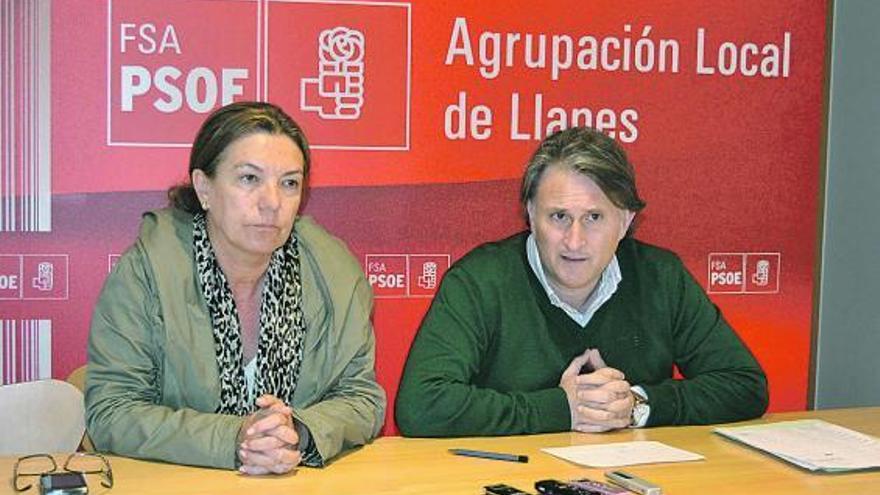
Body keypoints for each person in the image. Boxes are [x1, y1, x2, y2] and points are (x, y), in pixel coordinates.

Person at [395, 126, 768, 436]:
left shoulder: (661, 277)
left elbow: (744, 385)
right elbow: (422, 405)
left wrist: (637, 404)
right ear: (530, 214)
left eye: (594, 218)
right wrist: (561, 408)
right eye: (559, 216)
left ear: (625, 221)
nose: (574, 241)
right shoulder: (479, 281)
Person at [85, 101, 385, 474]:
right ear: (204, 188)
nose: (272, 202)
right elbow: (112, 411)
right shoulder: (148, 271)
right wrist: (233, 438)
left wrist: (299, 432)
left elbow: (361, 398)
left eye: (289, 183)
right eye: (249, 179)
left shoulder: (335, 274)